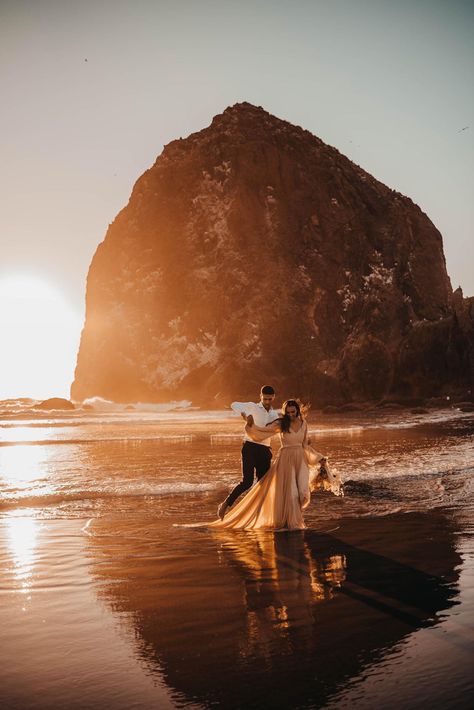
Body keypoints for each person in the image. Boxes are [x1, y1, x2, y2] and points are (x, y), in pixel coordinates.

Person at [210, 399, 322, 531]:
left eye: (293, 411)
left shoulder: (303, 423)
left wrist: (319, 458)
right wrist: (249, 424)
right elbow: (263, 431)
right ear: (284, 412)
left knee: (302, 492)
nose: (291, 414)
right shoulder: (281, 423)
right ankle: (291, 522)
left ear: (297, 410)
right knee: (290, 492)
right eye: (288, 412)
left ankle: (292, 519)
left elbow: (304, 445)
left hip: (300, 460)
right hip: (286, 460)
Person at [217, 385, 280, 520]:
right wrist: (248, 415)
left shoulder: (275, 415)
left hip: (265, 450)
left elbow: (279, 429)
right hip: (250, 447)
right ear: (260, 396)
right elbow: (234, 405)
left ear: (274, 397)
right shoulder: (253, 406)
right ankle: (225, 504)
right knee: (247, 482)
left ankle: (257, 514)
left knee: (262, 485)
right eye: (265, 399)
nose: (267, 401)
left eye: (270, 399)